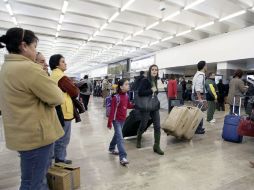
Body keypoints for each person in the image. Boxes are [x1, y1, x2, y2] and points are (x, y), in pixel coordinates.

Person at [0, 27, 64, 190]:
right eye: (34, 47)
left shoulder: (6, 68)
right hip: (36, 136)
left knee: (30, 179)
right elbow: (57, 97)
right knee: (33, 183)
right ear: (24, 46)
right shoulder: (28, 68)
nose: (35, 52)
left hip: (22, 133)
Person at [49, 54, 80, 164]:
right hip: (64, 111)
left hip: (56, 109)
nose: (65, 63)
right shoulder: (62, 77)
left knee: (58, 136)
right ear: (56, 64)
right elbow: (75, 92)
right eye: (62, 61)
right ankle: (60, 159)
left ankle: (55, 155)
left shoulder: (52, 75)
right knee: (64, 138)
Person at [136, 64, 164, 155]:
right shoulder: (145, 80)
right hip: (146, 106)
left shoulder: (157, 80)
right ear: (150, 71)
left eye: (156, 70)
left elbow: (156, 92)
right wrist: (151, 90)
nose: (154, 71)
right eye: (153, 69)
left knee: (157, 126)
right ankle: (139, 138)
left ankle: (157, 146)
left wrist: (156, 89)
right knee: (144, 124)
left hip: (154, 105)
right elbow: (140, 92)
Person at [107, 79, 134, 166]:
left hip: (123, 119)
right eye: (126, 84)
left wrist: (135, 105)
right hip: (116, 120)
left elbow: (128, 105)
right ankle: (123, 157)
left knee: (117, 135)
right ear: (121, 87)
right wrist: (109, 122)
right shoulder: (116, 97)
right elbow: (112, 111)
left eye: (128, 84)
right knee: (120, 138)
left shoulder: (126, 95)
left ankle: (111, 148)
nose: (128, 85)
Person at [192, 61, 207, 134]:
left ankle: (199, 127)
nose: (207, 67)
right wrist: (200, 98)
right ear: (203, 66)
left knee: (199, 112)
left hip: (197, 95)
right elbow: (198, 87)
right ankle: (198, 129)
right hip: (198, 95)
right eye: (206, 65)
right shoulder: (200, 75)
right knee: (199, 112)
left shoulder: (197, 74)